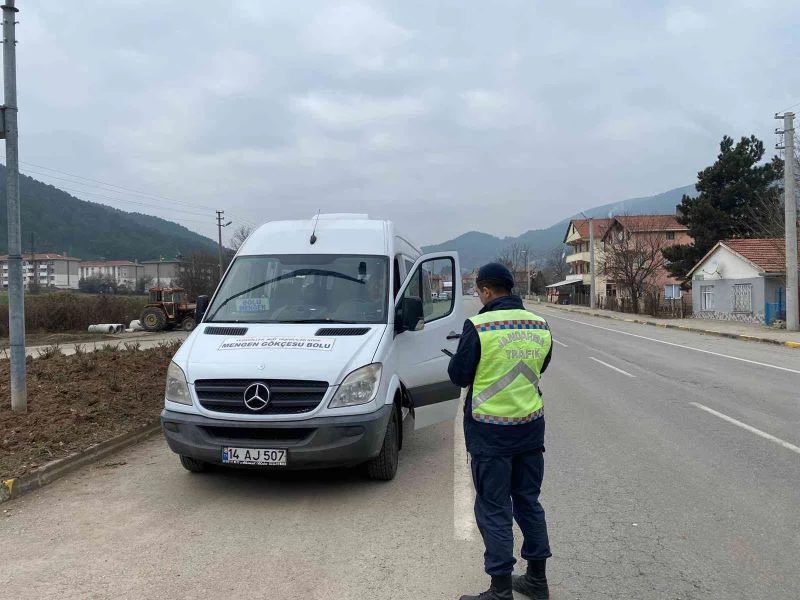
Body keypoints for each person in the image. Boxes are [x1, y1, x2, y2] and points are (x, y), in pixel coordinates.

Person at [448, 263, 553, 600]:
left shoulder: (478, 325)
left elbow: (460, 376)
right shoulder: (540, 324)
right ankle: (537, 581)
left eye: (479, 292)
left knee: (494, 508)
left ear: (487, 291)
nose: (479, 297)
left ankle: (501, 589)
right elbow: (541, 366)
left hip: (491, 433)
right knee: (528, 502)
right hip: (530, 429)